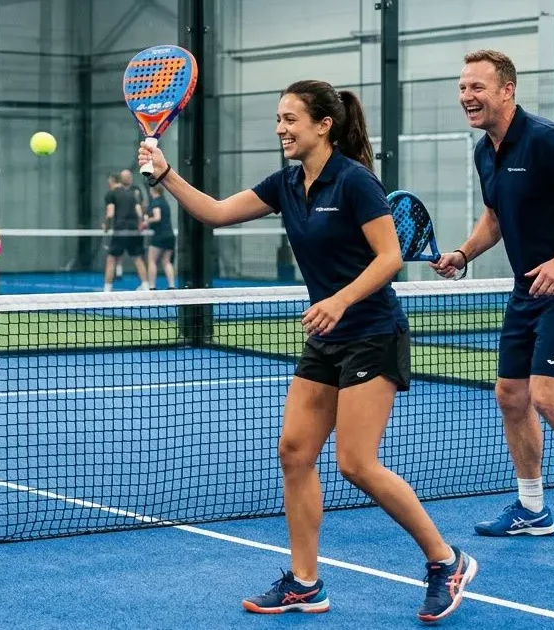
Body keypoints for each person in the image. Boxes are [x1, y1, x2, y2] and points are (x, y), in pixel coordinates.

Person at [140, 80, 475, 621]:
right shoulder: (288, 184)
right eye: (278, 119)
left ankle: (446, 560)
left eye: (291, 119)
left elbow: (389, 257)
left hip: (371, 331)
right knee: (295, 452)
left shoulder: (355, 182)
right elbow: (218, 212)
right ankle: (304, 582)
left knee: (357, 464)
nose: (281, 128)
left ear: (324, 125)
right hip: (327, 338)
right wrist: (167, 173)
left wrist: (339, 301)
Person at [431, 49, 554, 556]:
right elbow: (496, 217)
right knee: (510, 395)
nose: (466, 97)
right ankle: (532, 508)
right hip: (528, 288)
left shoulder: (546, 140)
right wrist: (463, 252)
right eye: (462, 88)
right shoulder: (485, 151)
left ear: (506, 90)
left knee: (547, 395)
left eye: (477, 87)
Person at [103, 168, 148, 292]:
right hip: (134, 231)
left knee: (111, 259)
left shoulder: (111, 194)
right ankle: (146, 287)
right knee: (138, 258)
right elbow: (139, 212)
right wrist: (141, 225)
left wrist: (106, 227)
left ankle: (107, 290)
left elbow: (110, 214)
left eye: (109, 181)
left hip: (120, 231)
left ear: (112, 181)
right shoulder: (131, 194)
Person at [144, 185, 176, 290]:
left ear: (152, 190)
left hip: (160, 236)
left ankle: (152, 287)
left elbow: (157, 217)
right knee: (166, 261)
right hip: (170, 235)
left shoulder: (156, 202)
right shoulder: (165, 202)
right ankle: (171, 286)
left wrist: (146, 220)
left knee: (152, 261)